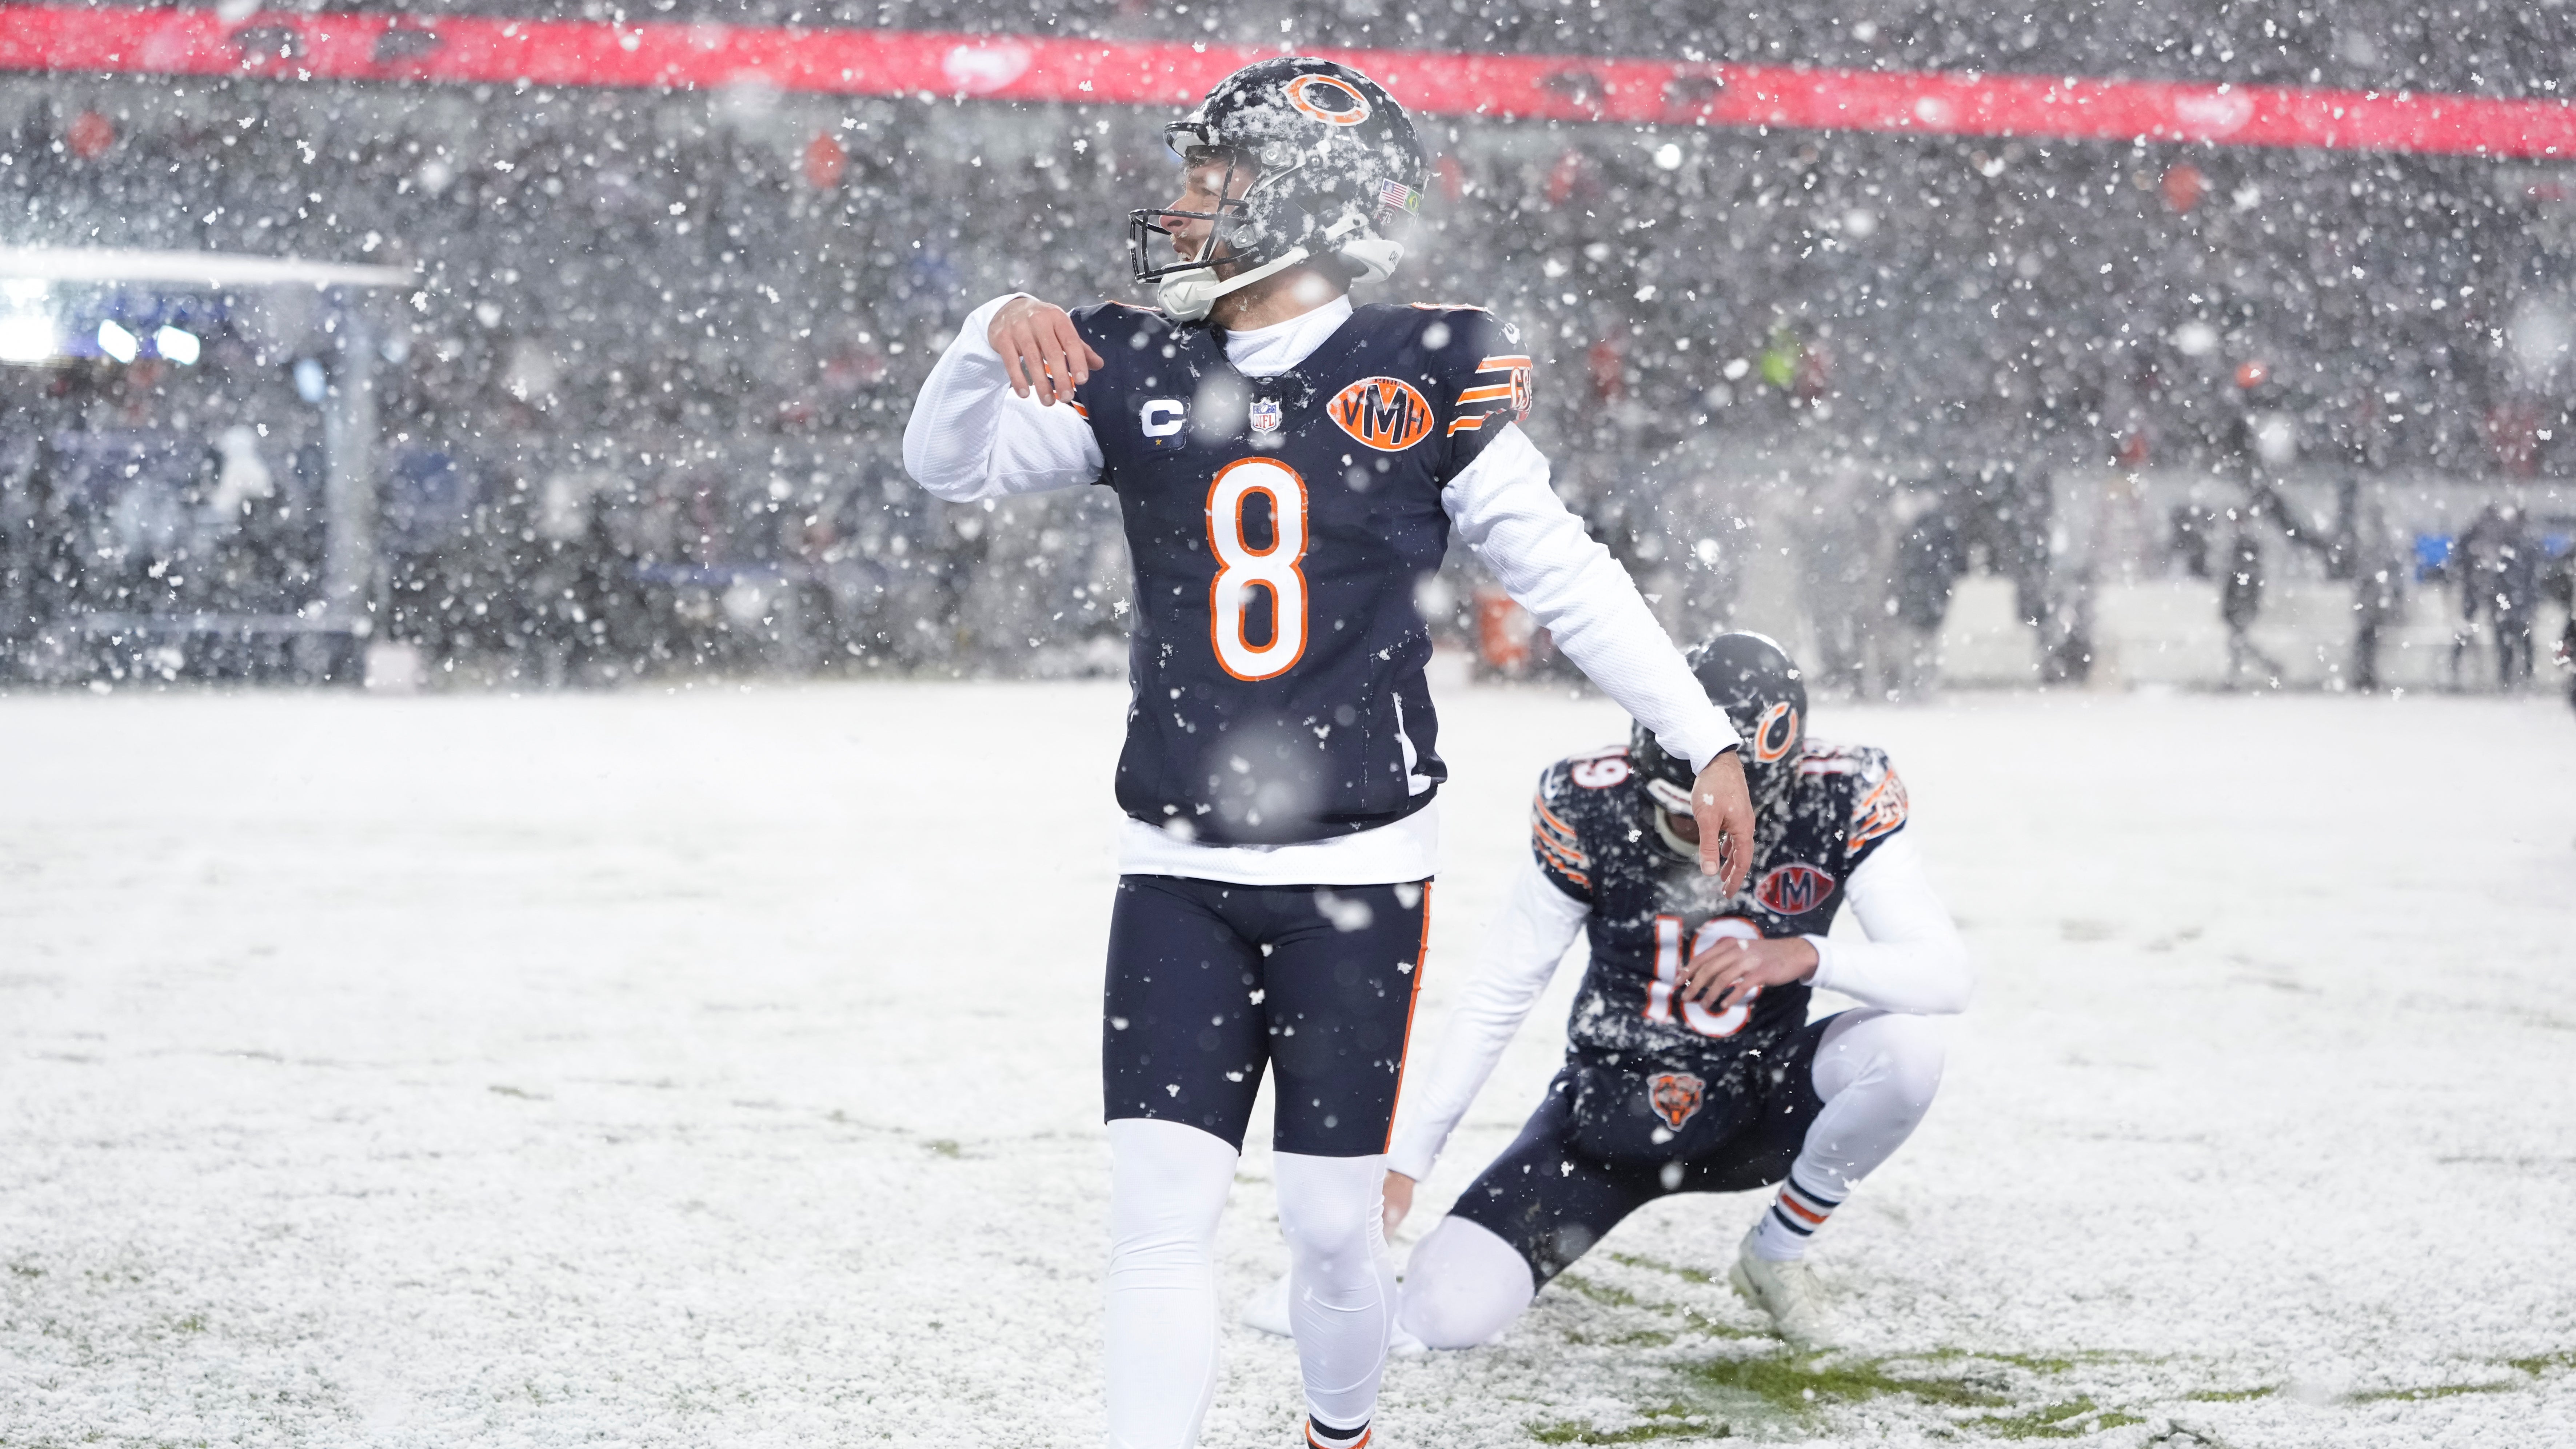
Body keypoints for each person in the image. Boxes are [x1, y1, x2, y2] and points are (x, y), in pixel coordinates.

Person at [901, 58, 1758, 1449]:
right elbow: (953, 465)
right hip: (1171, 861)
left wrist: (1701, 732)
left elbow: (1566, 576)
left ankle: (1339, 1428)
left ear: (1302, 204)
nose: (1177, 207)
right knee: (1159, 1224)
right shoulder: (1144, 361)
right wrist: (981, 330)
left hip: (1354, 870)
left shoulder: (1423, 371)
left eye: (1208, 180)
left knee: (1330, 1233)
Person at [1329, 632, 1970, 1351]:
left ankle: (1776, 1254)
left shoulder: (1837, 793)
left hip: (1760, 1105)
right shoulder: (1591, 803)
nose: (1695, 842)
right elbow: (1501, 989)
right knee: (1438, 1321)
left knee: (1908, 1050)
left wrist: (1802, 954)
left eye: (1711, 817)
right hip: (1606, 1123)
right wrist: (1407, 1162)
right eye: (1673, 814)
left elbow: (1945, 976)